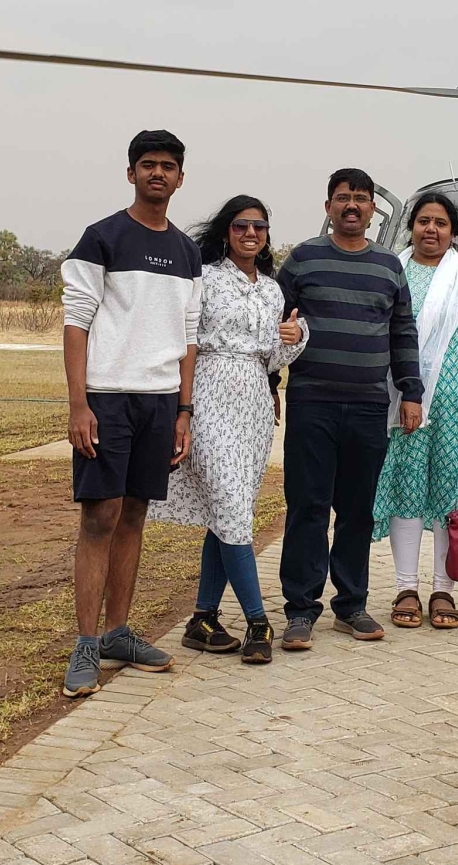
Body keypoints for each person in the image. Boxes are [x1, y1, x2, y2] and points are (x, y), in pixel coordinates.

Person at [59, 129, 201, 698]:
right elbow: (77, 322)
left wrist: (183, 410)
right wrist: (79, 403)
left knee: (135, 514)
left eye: (167, 165)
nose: (157, 173)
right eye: (147, 164)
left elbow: (189, 336)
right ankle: (86, 644)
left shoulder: (187, 251)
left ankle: (118, 633)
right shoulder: (102, 238)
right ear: (131, 173)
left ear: (180, 178)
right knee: (100, 517)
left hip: (160, 401)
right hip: (107, 397)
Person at [150, 196, 306, 664]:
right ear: (226, 232)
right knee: (232, 509)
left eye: (259, 226)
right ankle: (258, 621)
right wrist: (183, 408)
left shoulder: (273, 291)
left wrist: (296, 339)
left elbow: (272, 359)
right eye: (241, 226)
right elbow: (186, 343)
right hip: (209, 395)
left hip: (254, 401)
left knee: (228, 512)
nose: (250, 233)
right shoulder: (205, 279)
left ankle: (202, 619)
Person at [274, 168, 423, 649]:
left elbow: (402, 332)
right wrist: (270, 383)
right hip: (311, 403)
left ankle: (352, 605)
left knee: (357, 510)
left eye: (360, 198)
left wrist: (412, 391)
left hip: (368, 406)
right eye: (342, 198)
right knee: (308, 506)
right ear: (328, 207)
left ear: (373, 210)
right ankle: (300, 610)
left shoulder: (388, 266)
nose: (352, 206)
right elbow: (275, 325)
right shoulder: (302, 260)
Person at [371, 192, 458, 630]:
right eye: (423, 221)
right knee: (407, 487)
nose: (431, 229)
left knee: (452, 493)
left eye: (441, 223)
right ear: (411, 227)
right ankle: (406, 588)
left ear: (454, 232)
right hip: (403, 403)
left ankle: (443, 589)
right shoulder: (392, 270)